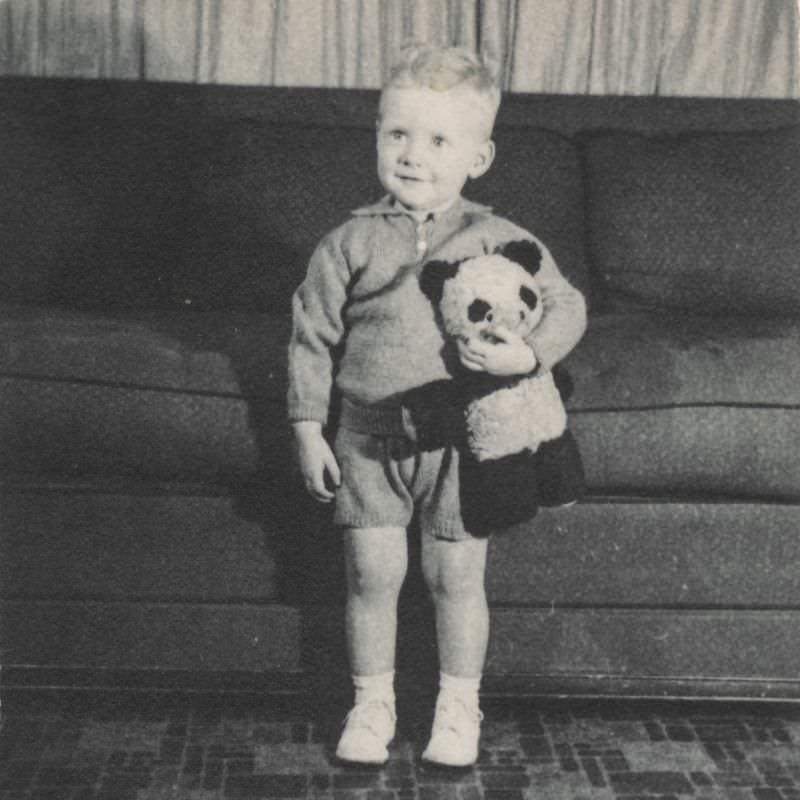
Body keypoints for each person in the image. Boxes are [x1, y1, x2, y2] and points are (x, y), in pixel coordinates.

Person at [287, 43, 586, 767]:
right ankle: (372, 702)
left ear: (478, 158)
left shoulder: (499, 238)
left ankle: (458, 706)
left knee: (456, 577)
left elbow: (567, 305)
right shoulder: (347, 241)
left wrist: (528, 354)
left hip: (458, 440)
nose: (412, 154)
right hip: (366, 438)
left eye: (438, 139)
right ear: (377, 136)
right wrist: (305, 426)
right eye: (397, 134)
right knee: (372, 575)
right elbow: (310, 336)